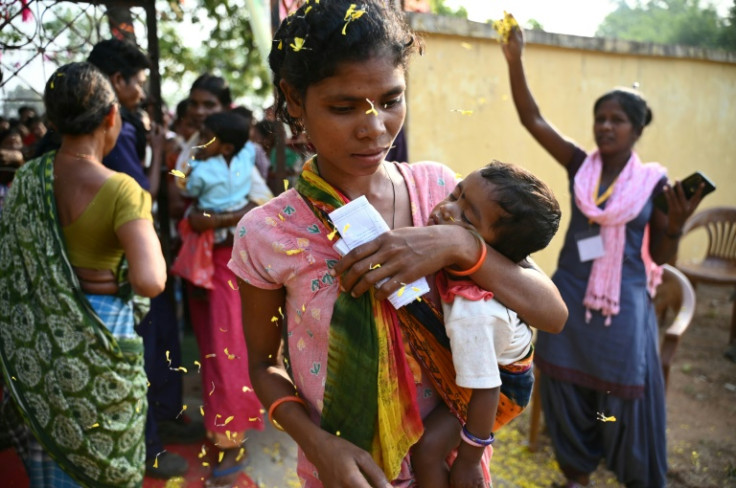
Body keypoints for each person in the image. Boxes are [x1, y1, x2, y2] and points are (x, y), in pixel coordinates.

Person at [227, 2, 567, 487]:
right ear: (294, 99)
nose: (375, 128)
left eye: (391, 100)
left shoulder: (443, 196)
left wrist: (458, 247)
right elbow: (263, 365)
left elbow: (551, 314)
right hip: (348, 473)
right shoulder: (269, 232)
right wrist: (319, 443)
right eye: (344, 107)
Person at [500, 21, 705, 488]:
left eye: (617, 120)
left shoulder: (654, 185)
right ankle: (575, 473)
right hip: (569, 294)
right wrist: (516, 62)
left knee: (623, 388)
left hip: (625, 303)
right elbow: (533, 119)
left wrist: (674, 222)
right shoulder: (580, 166)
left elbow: (663, 252)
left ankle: (631, 472)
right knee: (565, 385)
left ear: (636, 130)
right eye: (600, 118)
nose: (605, 126)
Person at [0, 62, 166, 487]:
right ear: (112, 117)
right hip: (103, 332)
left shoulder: (28, 178)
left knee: (52, 457)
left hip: (38, 341)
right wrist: (110, 278)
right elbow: (150, 280)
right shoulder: (122, 189)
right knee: (105, 460)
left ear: (53, 121)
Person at [412, 161, 561, 488]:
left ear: (493, 252)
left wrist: (469, 462)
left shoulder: (474, 313)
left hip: (503, 387)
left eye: (466, 217)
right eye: (456, 193)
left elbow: (486, 389)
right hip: (499, 363)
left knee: (427, 450)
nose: (446, 208)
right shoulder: (487, 261)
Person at [173, 111, 256, 289]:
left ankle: (197, 278)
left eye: (205, 137)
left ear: (226, 148)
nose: (200, 142)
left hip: (209, 229)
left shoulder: (202, 170)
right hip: (239, 226)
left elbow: (189, 190)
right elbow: (248, 148)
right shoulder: (245, 156)